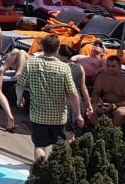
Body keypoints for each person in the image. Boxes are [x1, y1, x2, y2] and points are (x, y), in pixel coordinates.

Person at [15, 33, 81, 161]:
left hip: (38, 115)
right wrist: (78, 114)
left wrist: (19, 98)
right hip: (58, 117)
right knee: (59, 146)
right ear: (58, 49)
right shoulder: (64, 68)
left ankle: (40, 168)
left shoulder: (31, 63)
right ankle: (55, 168)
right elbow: (73, 93)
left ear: (42, 47)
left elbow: (20, 84)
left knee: (39, 146)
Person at [89, 56, 125, 127]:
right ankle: (99, 128)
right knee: (88, 106)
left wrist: (113, 106)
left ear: (119, 66)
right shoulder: (101, 77)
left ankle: (113, 130)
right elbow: (96, 92)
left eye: (113, 66)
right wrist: (94, 104)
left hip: (122, 105)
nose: (110, 68)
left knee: (120, 113)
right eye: (108, 66)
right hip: (105, 103)